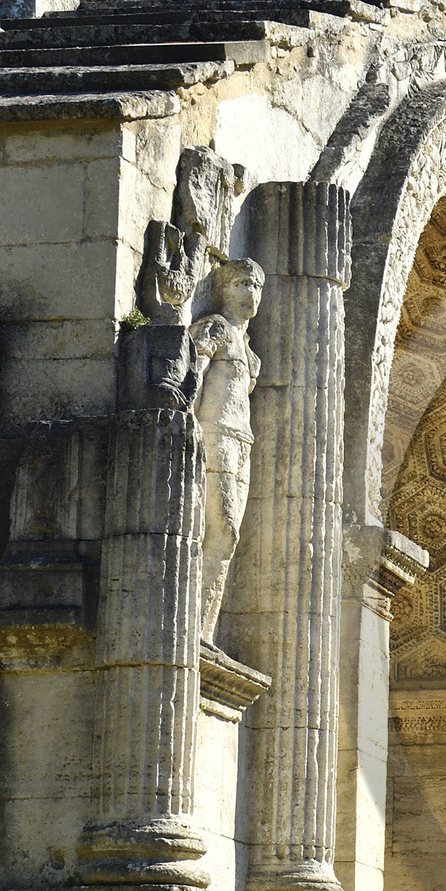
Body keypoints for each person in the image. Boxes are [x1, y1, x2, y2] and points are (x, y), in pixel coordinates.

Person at [189, 258, 264, 643]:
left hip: (242, 440)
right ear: (223, 289)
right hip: (214, 433)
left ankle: (204, 630)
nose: (251, 293)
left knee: (229, 538)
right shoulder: (215, 328)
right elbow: (191, 377)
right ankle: (192, 625)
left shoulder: (250, 352)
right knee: (221, 527)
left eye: (256, 286)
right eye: (242, 284)